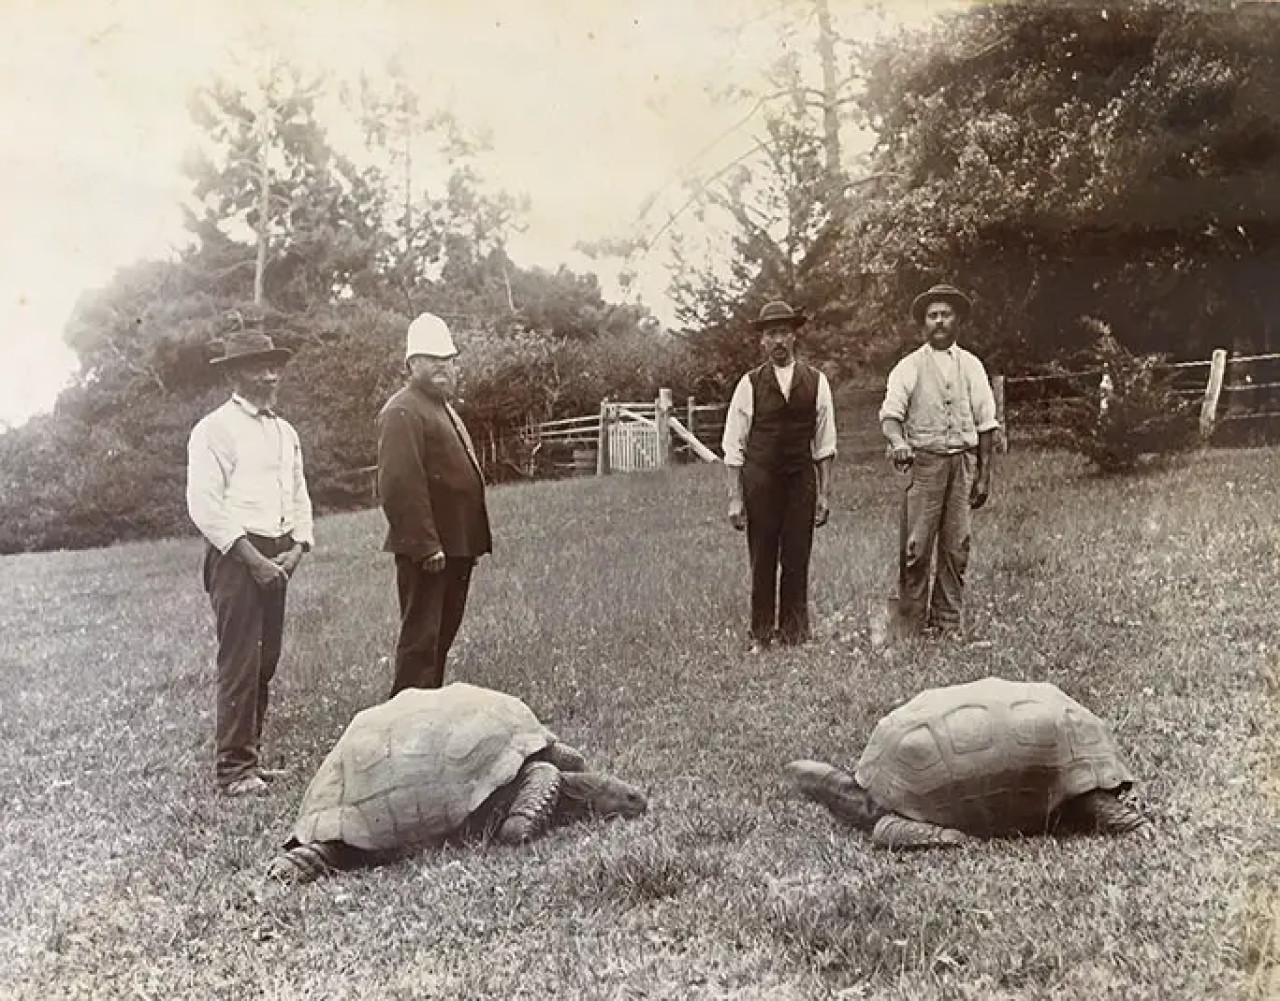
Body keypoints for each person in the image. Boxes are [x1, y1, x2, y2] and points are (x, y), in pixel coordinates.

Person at [186, 331, 314, 797]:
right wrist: (252, 558)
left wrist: (298, 548)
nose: (271, 374)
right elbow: (205, 505)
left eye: (275, 365)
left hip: (278, 553)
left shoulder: (285, 431)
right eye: (260, 366)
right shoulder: (213, 430)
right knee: (240, 660)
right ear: (234, 373)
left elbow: (299, 493)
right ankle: (233, 769)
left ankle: (250, 757)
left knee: (266, 659)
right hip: (236, 557)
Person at [377, 312, 491, 696]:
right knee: (420, 644)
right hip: (431, 551)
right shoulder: (402, 409)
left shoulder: (440, 406)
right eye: (433, 359)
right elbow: (398, 485)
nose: (444, 366)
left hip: (457, 545)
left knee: (440, 639)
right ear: (412, 364)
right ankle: (405, 725)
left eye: (449, 359)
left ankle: (428, 718)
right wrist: (426, 545)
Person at [878, 283, 999, 636]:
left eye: (946, 314)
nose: (939, 322)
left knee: (957, 545)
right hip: (925, 466)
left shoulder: (972, 366)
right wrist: (899, 442)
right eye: (933, 316)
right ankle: (910, 626)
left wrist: (984, 476)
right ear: (923, 324)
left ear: (957, 320)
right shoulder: (909, 367)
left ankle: (946, 624)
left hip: (961, 464)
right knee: (915, 547)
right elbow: (890, 416)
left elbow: (987, 424)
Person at [721, 300, 837, 651]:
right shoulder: (749, 384)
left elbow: (825, 443)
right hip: (761, 480)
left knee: (797, 555)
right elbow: (733, 444)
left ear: (795, 336)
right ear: (762, 341)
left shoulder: (817, 382)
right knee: (763, 556)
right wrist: (735, 497)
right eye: (771, 334)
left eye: (785, 332)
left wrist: (824, 494)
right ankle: (761, 634)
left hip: (800, 479)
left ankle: (795, 633)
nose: (778, 341)